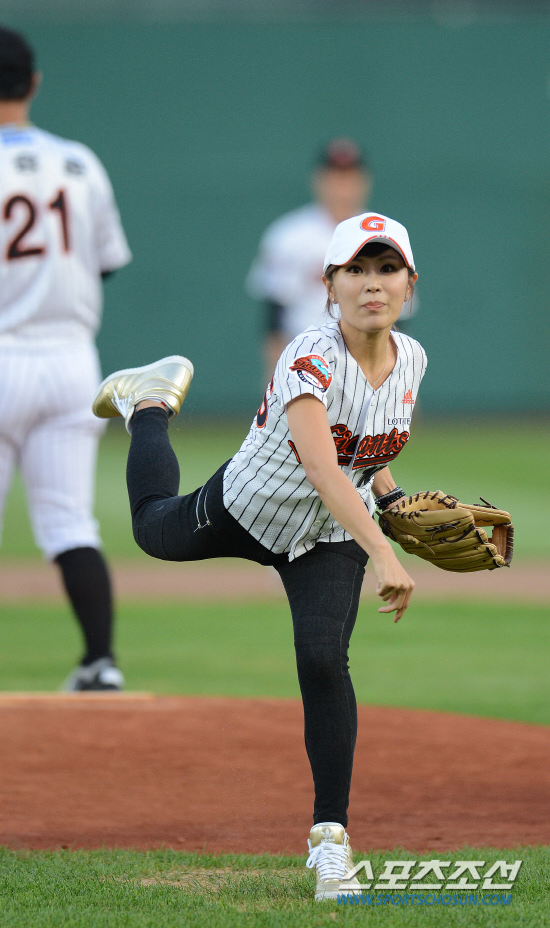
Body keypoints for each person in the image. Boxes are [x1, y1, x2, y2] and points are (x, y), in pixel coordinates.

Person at [92, 210, 425, 900]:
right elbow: (322, 465)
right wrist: (384, 552)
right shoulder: (308, 355)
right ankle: (148, 403)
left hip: (328, 538)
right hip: (249, 506)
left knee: (323, 660)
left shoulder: (413, 359)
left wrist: (393, 502)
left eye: (387, 268)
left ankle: (330, 841)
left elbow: (367, 450)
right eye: (356, 269)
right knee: (152, 530)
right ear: (328, 286)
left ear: (409, 284)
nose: (373, 283)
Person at [0, 26, 132, 691]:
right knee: (69, 522)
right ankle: (100, 664)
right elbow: (104, 262)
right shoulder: (79, 162)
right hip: (72, 361)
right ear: (35, 82)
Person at [246, 138, 371, 377]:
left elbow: (398, 321)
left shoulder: (383, 236)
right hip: (303, 364)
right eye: (335, 176)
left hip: (365, 366)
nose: (342, 186)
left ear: (364, 181)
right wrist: (274, 378)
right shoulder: (288, 235)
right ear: (318, 180)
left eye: (349, 177)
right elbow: (274, 319)